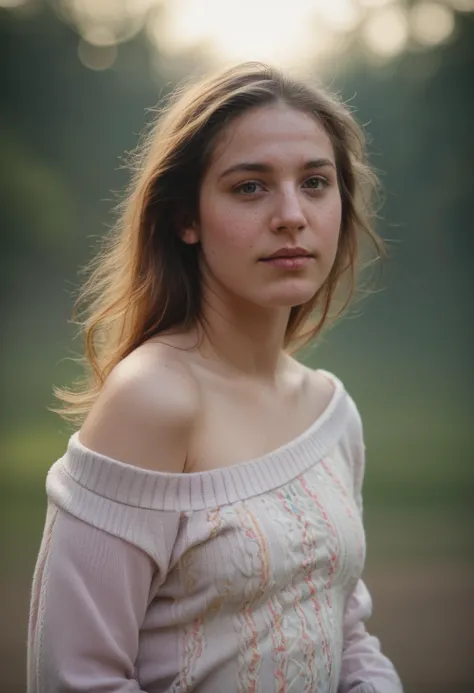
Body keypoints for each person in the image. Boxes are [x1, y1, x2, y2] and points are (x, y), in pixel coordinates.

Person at [27, 62, 403, 693]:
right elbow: (77, 677)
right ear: (186, 218)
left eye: (315, 182)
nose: (291, 214)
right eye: (250, 188)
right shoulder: (152, 400)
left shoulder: (331, 411)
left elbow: (344, 631)